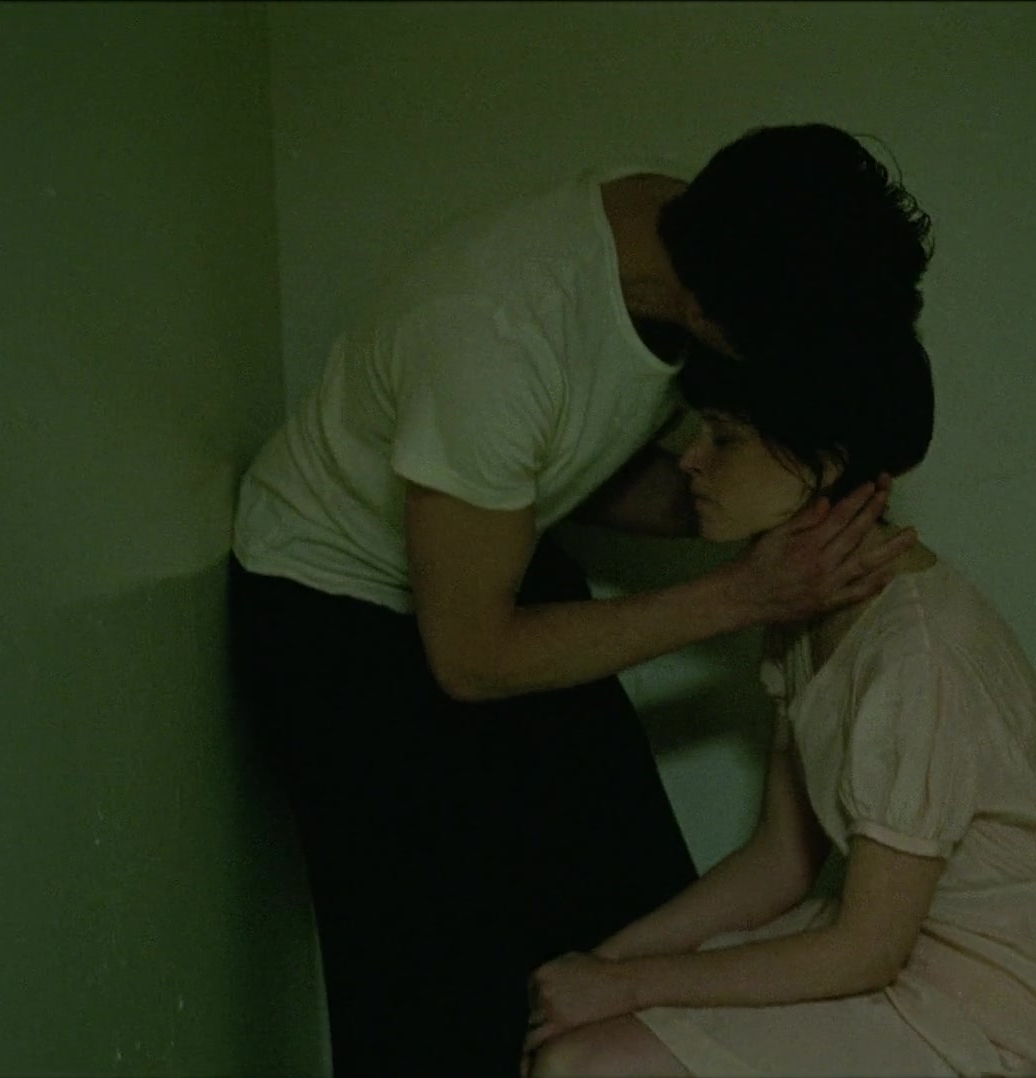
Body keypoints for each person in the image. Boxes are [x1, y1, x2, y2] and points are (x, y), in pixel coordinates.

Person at [227, 123, 935, 1076]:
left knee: (630, 910)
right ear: (718, 309)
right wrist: (745, 592)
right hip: (333, 608)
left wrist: (773, 512)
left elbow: (573, 458)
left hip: (492, 561)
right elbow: (471, 658)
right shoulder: (494, 336)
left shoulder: (699, 231)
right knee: (436, 989)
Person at [520, 333, 1036, 1077]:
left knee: (586, 1065)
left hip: (989, 994)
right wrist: (604, 964)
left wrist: (624, 984)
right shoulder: (812, 601)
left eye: (726, 438)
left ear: (826, 464)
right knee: (572, 1041)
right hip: (896, 947)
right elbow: (784, 859)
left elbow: (868, 950)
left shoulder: (917, 655)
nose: (692, 461)